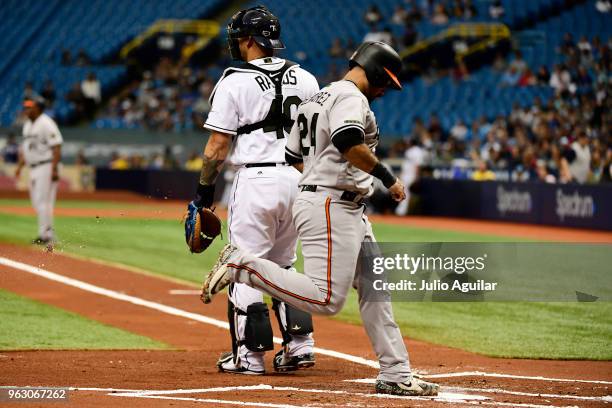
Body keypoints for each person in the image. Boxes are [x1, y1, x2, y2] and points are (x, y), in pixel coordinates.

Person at [202, 41, 440, 397]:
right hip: (332, 205)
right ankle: (241, 265)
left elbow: (292, 153)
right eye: (384, 82)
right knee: (326, 299)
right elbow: (348, 141)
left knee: (376, 292)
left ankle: (395, 372)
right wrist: (387, 178)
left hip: (341, 203)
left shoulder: (319, 97)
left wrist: (320, 176)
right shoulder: (350, 97)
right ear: (373, 71)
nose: (384, 90)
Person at [184, 6, 319, 375]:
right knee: (285, 267)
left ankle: (249, 356)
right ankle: (300, 346)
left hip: (257, 180)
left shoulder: (234, 81)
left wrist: (203, 192)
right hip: (299, 179)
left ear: (247, 40)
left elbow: (216, 148)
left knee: (244, 266)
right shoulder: (307, 78)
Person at [14, 97, 62, 245]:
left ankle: (47, 236)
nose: (27, 110)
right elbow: (27, 148)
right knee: (37, 203)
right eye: (26, 107)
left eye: (30, 107)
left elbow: (57, 146)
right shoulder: (27, 125)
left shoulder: (46, 123)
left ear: (39, 109)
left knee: (44, 202)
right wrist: (20, 166)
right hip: (34, 167)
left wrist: (54, 169)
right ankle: (45, 233)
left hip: (46, 166)